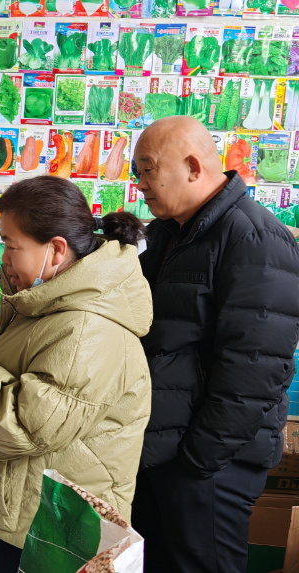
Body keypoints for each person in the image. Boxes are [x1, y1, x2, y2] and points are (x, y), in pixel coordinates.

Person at [0, 176, 153, 572]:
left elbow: (29, 426)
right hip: (24, 511)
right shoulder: (56, 297)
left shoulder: (88, 328)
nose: (4, 259)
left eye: (12, 246)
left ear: (56, 250)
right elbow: (30, 339)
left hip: (55, 527)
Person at [131, 116, 299, 573]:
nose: (139, 183)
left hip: (208, 461)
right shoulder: (170, 234)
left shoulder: (254, 236)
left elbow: (256, 368)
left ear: (191, 166)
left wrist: (199, 460)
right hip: (164, 450)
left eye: (147, 169)